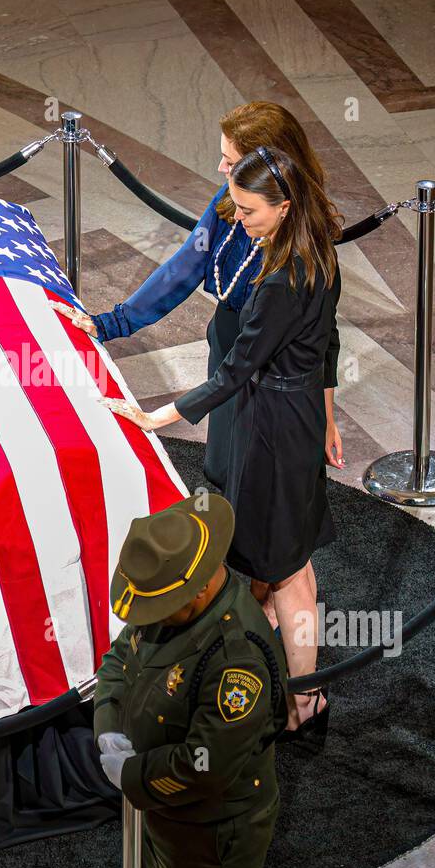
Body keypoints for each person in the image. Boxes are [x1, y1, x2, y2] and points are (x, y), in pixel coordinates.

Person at [99, 146, 340, 740]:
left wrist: (159, 417)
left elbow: (236, 368)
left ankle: (304, 702)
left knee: (283, 570)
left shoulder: (281, 280)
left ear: (284, 207)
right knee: (282, 562)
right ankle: (270, 680)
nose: (237, 218)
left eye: (249, 210)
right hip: (297, 417)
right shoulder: (315, 250)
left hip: (273, 429)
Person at [72, 102, 343, 488]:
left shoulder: (303, 253)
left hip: (271, 371)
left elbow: (325, 340)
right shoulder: (233, 200)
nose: (221, 169)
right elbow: (185, 266)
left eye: (230, 161)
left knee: (263, 478)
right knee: (225, 461)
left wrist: (326, 418)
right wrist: (112, 323)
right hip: (230, 344)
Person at [94, 494, 289, 868]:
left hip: (210, 837)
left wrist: (133, 775)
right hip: (161, 813)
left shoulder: (237, 659)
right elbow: (118, 659)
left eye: (160, 608)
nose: (151, 616)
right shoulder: (173, 604)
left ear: (199, 591)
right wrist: (108, 724)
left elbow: (206, 766)